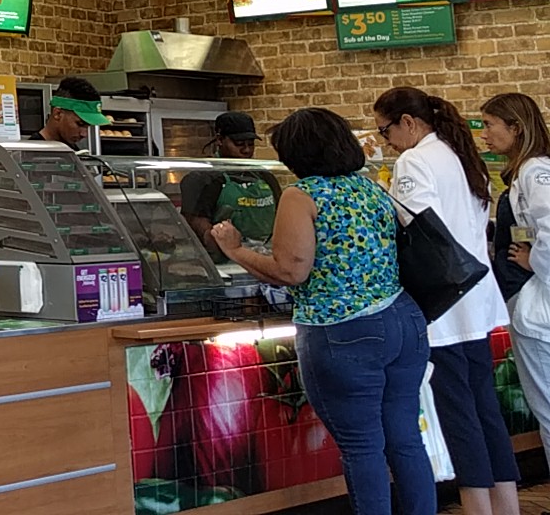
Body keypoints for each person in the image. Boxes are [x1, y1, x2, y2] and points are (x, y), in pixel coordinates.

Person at [212, 108, 432, 515]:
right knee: (405, 439)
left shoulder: (302, 195)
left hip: (342, 330)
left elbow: (291, 270)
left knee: (363, 447)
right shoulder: (370, 187)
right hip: (403, 321)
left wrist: (235, 250)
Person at [378, 86, 519, 515]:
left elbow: (417, 230)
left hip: (443, 307)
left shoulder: (414, 161)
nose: (386, 141)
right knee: (486, 410)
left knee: (458, 415)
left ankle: (478, 508)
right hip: (477, 300)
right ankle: (507, 506)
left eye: (385, 131)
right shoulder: (461, 154)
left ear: (407, 122)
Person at [483, 92, 550, 454]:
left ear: (516, 127)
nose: (484, 135)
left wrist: (534, 260)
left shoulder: (534, 171)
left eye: (490, 125)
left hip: (536, 307)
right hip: (532, 301)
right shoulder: (528, 171)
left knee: (548, 409)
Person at [181, 111, 280, 257]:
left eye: (250, 144)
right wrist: (230, 250)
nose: (246, 150)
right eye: (239, 144)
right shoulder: (203, 178)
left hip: (264, 256)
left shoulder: (264, 176)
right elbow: (196, 223)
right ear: (220, 140)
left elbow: (281, 215)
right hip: (222, 261)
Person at [28, 76, 108, 148]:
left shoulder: (73, 152)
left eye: (88, 126)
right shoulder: (30, 153)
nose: (84, 134)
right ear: (58, 114)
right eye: (80, 124)